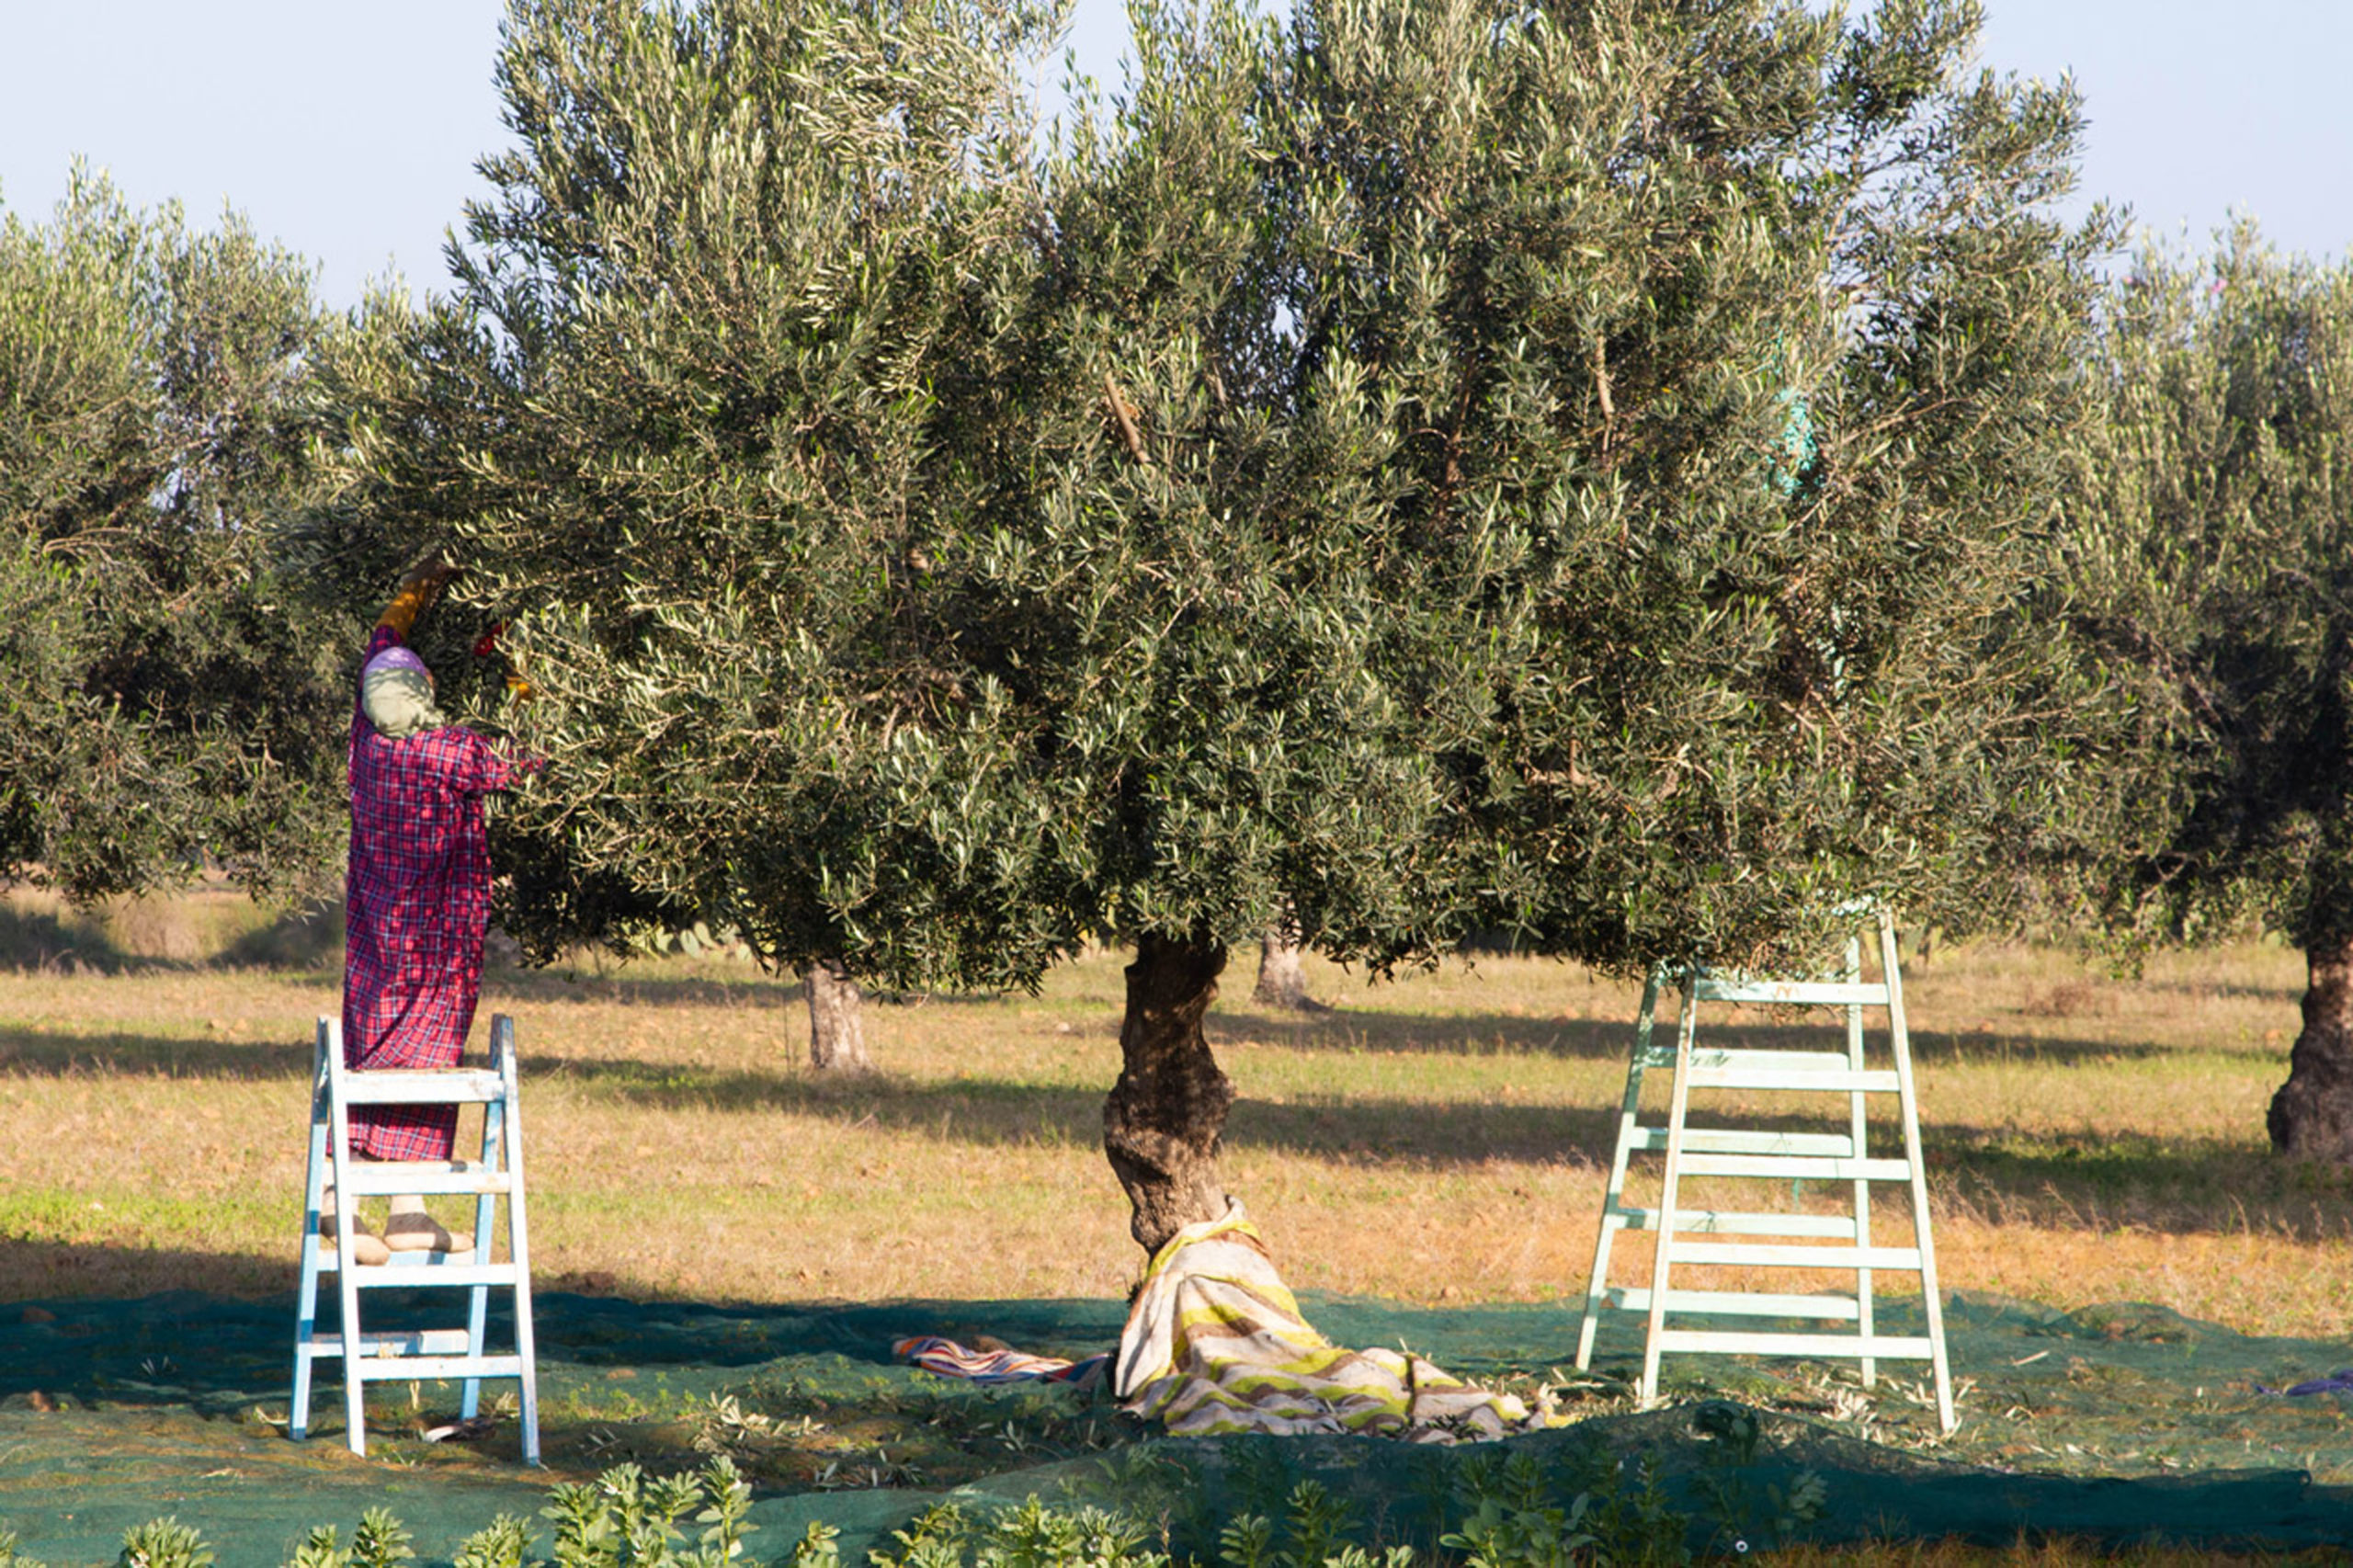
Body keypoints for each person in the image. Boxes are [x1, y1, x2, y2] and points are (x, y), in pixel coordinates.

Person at [324, 557, 526, 1264]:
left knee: (363, 1059)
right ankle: (405, 1212)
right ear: (424, 694)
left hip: (374, 952)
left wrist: (420, 584)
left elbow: (382, 642)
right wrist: (513, 663)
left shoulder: (367, 745)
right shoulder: (453, 753)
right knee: (428, 1062)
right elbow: (532, 761)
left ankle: (350, 1212)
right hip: (437, 957)